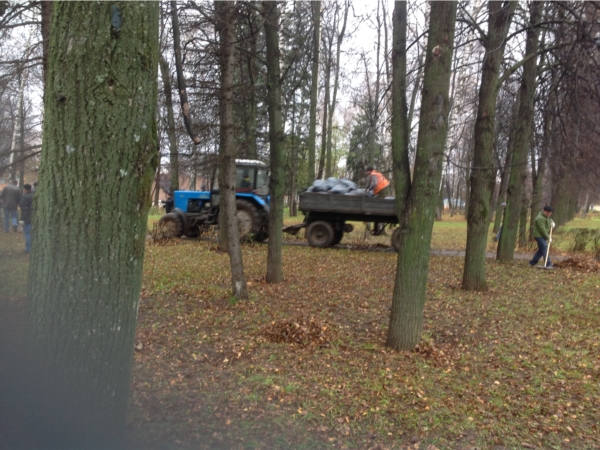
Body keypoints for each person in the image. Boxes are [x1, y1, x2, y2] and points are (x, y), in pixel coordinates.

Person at [19, 183, 33, 253]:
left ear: (25, 189)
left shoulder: (25, 197)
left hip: (27, 218)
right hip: (34, 217)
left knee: (27, 234)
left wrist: (22, 219)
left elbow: (24, 209)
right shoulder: (34, 195)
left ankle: (28, 249)